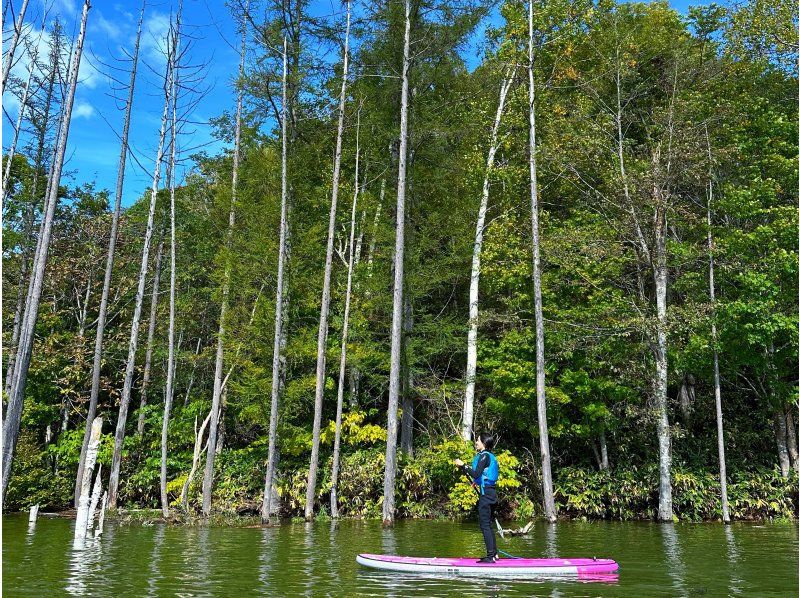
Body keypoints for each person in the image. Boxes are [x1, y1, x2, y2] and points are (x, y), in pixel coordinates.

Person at [454, 432, 499, 563]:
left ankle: (490, 556)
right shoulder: (489, 456)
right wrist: (477, 481)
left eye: (478, 440)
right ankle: (494, 554)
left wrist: (463, 465)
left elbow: (476, 473)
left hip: (487, 495)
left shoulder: (484, 456)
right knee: (488, 525)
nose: (476, 442)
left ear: (484, 443)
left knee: (485, 525)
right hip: (490, 493)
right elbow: (482, 476)